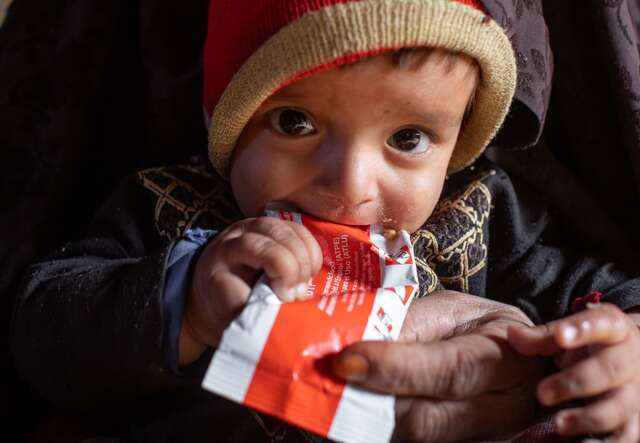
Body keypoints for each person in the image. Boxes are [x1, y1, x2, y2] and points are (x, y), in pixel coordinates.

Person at [11, 0, 640, 442]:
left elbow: (603, 287)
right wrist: (187, 298)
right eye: (295, 124)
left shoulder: (482, 215)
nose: (349, 186)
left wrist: (614, 351)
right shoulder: (171, 208)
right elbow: (43, 327)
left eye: (409, 137)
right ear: (226, 122)